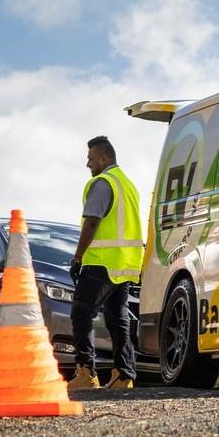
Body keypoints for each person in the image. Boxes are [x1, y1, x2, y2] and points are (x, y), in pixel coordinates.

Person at [68, 136, 144, 390]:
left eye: (90, 159)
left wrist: (78, 257)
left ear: (103, 158)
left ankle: (86, 373)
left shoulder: (102, 183)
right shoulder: (128, 185)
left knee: (81, 313)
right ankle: (123, 375)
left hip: (100, 263)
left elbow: (92, 221)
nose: (87, 164)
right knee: (117, 320)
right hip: (124, 265)